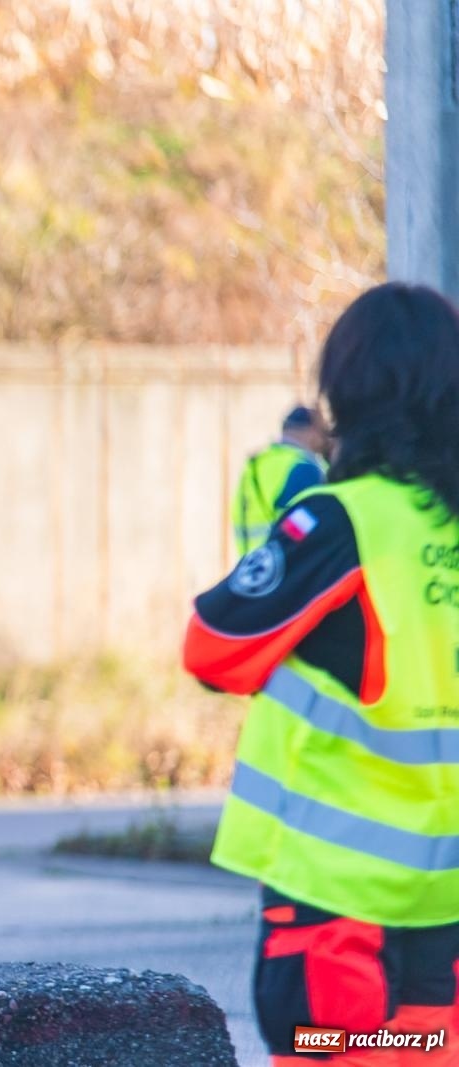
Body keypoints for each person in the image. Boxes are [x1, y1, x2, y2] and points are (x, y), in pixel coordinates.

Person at [184, 283, 459, 1065]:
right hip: (443, 914)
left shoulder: (345, 520)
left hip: (337, 914)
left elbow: (211, 645)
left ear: (350, 393)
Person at [232, 405, 330, 555]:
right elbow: (307, 527)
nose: (325, 439)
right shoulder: (302, 468)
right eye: (322, 432)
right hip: (287, 565)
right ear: (310, 432)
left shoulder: (257, 463)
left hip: (254, 565)